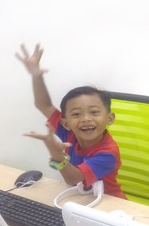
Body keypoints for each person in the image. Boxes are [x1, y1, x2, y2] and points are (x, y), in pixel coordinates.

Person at [15, 43, 126, 199]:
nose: (86, 119)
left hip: (109, 202)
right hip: (80, 197)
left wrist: (57, 156)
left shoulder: (108, 153)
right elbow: (43, 105)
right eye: (76, 114)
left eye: (94, 112)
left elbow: (74, 178)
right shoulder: (69, 134)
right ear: (65, 123)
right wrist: (36, 76)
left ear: (109, 118)